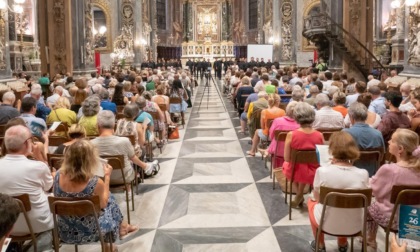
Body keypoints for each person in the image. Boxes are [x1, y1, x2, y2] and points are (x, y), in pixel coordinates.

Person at [54, 139, 138, 251]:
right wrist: (107, 177)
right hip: (92, 232)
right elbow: (103, 204)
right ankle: (115, 236)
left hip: (65, 230)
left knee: (108, 198)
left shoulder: (57, 176)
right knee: (109, 198)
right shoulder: (95, 182)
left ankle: (122, 227)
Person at [308, 131, 369, 252]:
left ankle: (320, 244)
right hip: (356, 225)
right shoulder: (363, 173)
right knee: (347, 204)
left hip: (326, 223)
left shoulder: (322, 171)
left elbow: (317, 197)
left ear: (331, 149)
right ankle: (342, 242)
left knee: (311, 201)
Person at [0, 125, 54, 250]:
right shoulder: (38, 167)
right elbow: (49, 186)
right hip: (35, 223)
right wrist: (39, 158)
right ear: (26, 143)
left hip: (4, 223)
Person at [367, 129, 420, 251]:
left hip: (392, 219)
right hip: (416, 219)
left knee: (368, 203)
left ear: (400, 149)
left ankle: (370, 239)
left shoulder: (390, 170)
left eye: (392, 140)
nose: (389, 142)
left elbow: (376, 191)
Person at [91, 110, 159, 184]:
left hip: (100, 179)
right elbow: (133, 158)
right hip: (123, 177)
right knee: (132, 157)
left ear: (97, 125)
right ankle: (144, 169)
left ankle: (146, 167)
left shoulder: (90, 144)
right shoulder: (124, 141)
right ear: (114, 125)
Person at [282, 102, 324, 208]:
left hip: (294, 170)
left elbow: (287, 158)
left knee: (293, 166)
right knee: (303, 167)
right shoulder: (320, 135)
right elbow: (321, 157)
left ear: (296, 117)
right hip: (313, 171)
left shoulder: (291, 135)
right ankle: (299, 194)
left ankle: (299, 194)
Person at [344, 102, 385, 176]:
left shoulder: (345, 133)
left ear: (351, 117)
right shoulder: (378, 134)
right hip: (372, 173)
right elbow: (382, 157)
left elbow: (339, 156)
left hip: (350, 173)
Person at [267, 101, 300, 168]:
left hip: (278, 150)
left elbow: (271, 136)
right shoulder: (301, 124)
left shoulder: (277, 121)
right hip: (295, 153)